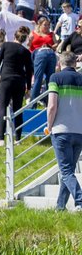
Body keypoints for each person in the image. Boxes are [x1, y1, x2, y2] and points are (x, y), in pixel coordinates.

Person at [46, 51, 82, 210]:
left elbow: (52, 106)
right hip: (79, 131)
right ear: (75, 63)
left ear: (60, 64)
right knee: (69, 172)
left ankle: (80, 200)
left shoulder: (55, 78)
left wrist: (49, 125)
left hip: (61, 130)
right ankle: (60, 207)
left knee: (66, 172)